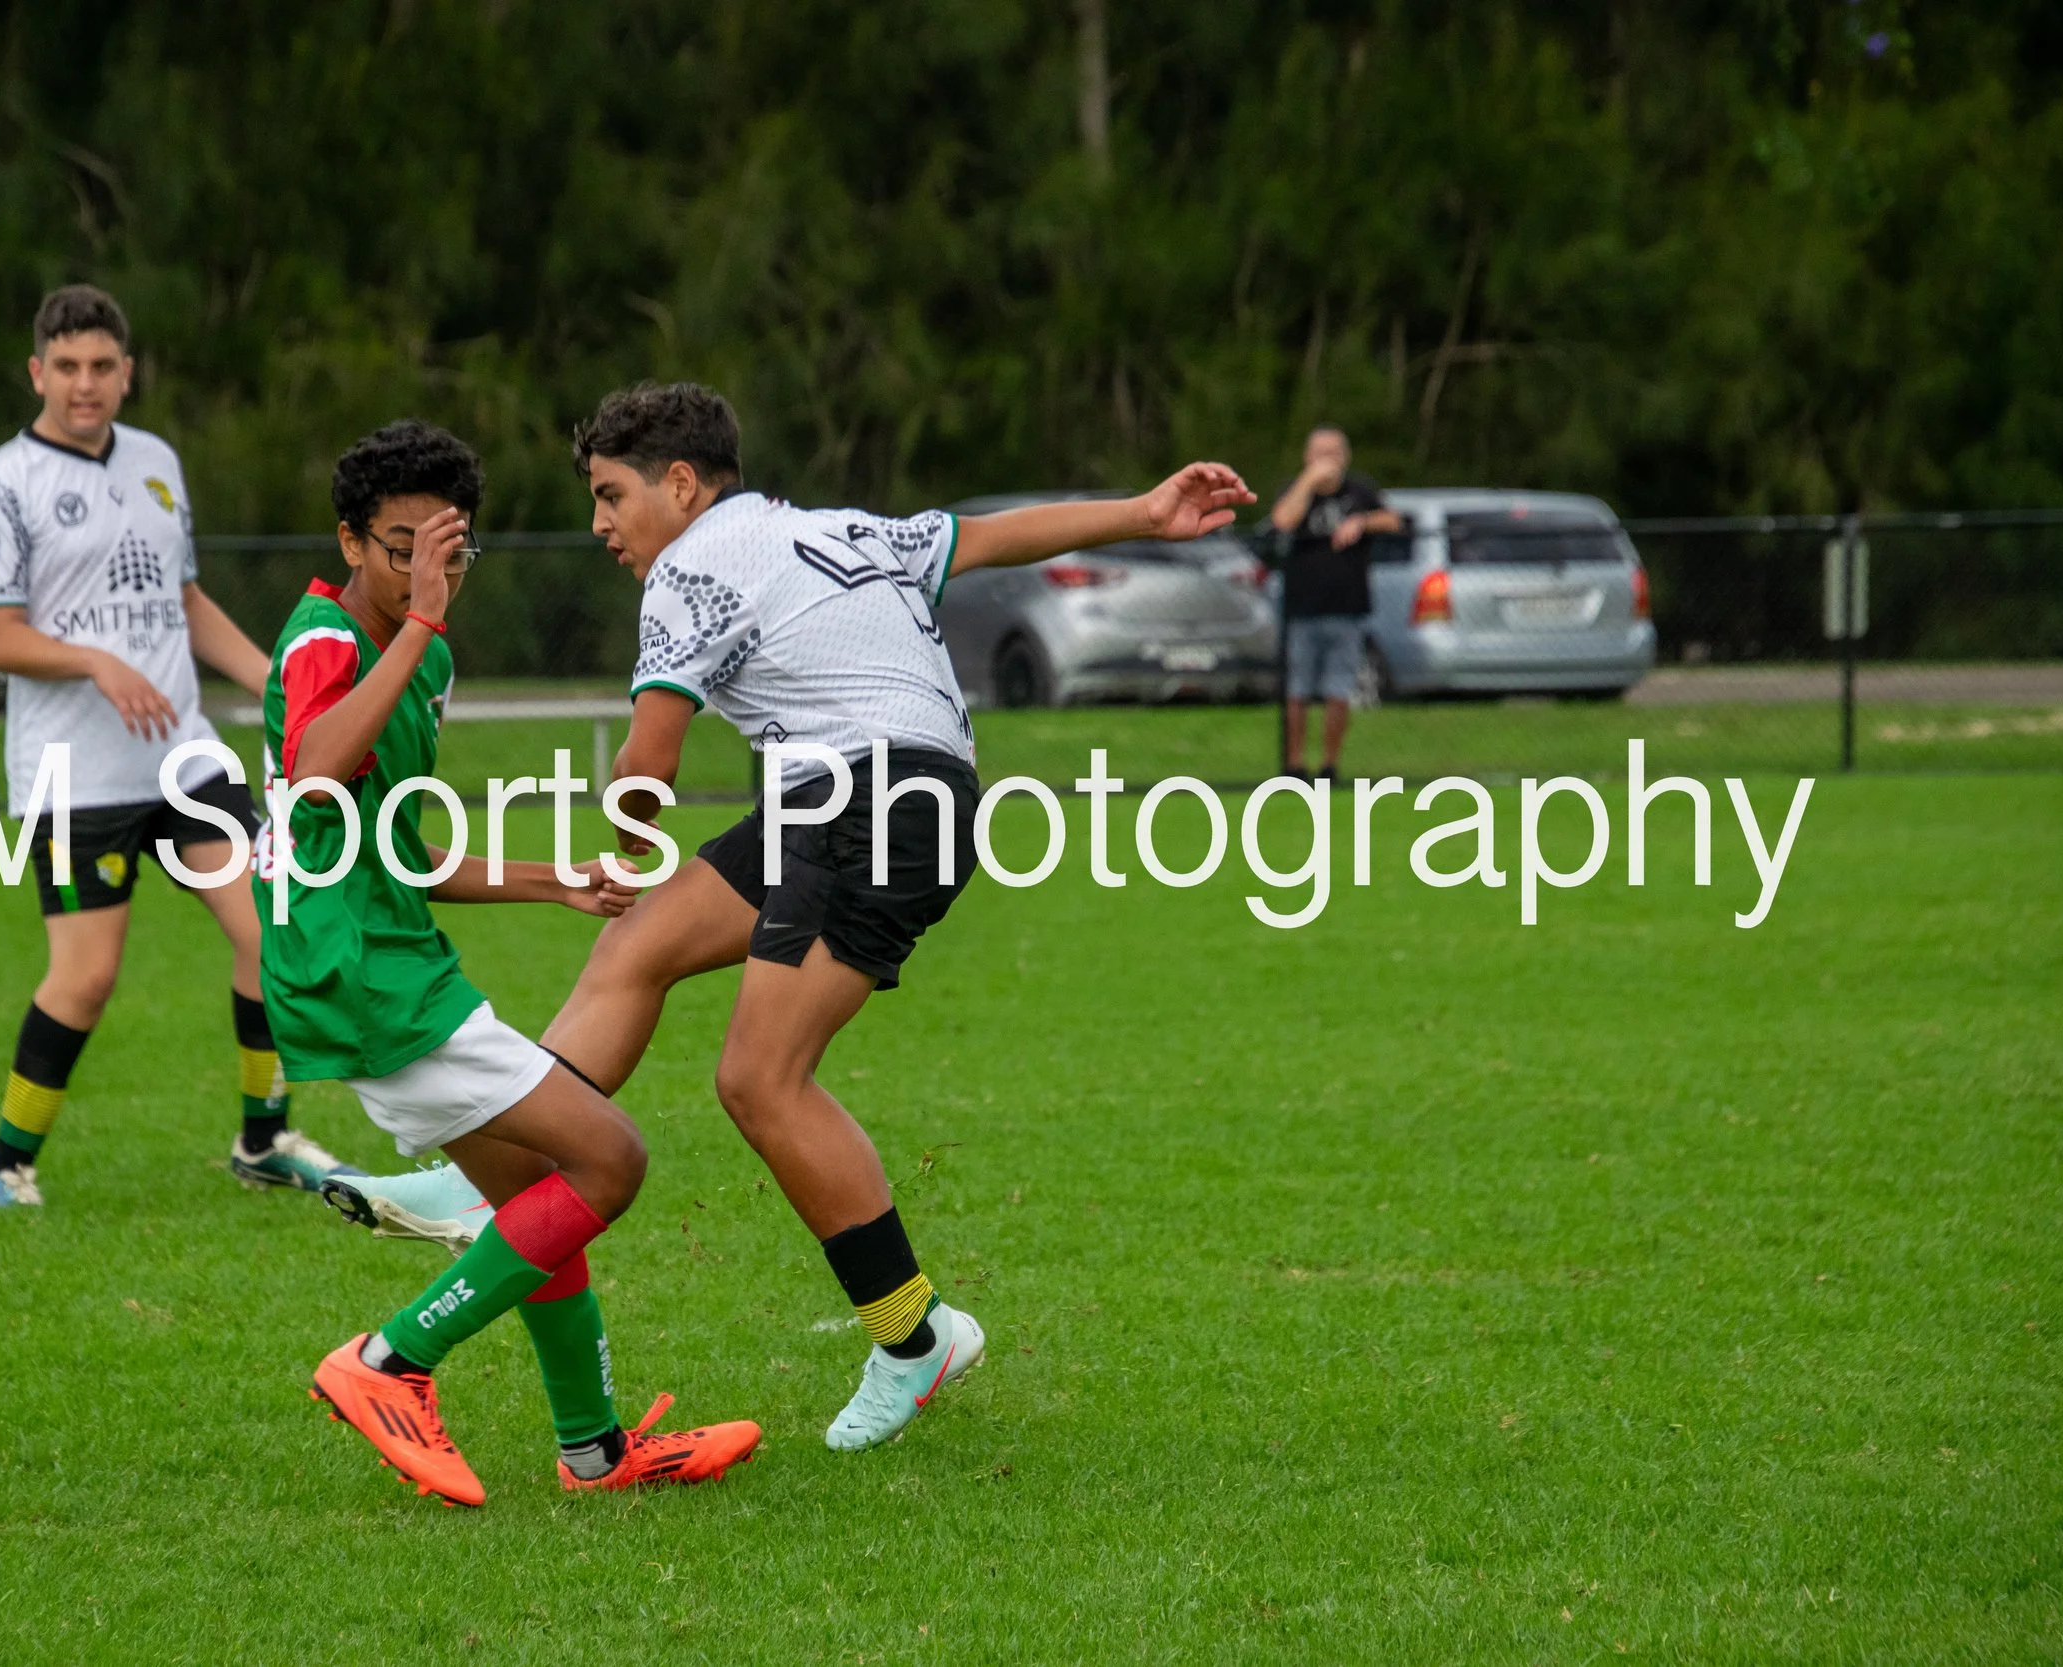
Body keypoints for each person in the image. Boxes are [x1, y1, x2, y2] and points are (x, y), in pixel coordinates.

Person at [539, 382, 1252, 1452]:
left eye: (610, 495)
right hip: (871, 793)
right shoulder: (837, 529)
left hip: (866, 803)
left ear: (679, 484)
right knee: (639, 943)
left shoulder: (692, 564)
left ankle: (913, 1337)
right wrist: (1144, 512)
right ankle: (508, 1157)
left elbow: (650, 760)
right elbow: (992, 535)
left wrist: (622, 838)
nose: (601, 523)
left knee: (760, 1079)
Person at [271, 419, 761, 1504]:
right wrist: (419, 624)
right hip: (361, 973)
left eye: (448, 555)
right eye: (403, 551)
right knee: (611, 1161)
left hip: (389, 956)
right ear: (350, 543)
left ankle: (594, 1452)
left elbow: (398, 849)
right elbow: (313, 770)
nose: (429, 577)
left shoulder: (425, 655)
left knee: (540, 1197)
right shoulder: (325, 641)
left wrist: (559, 881)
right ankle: (389, 1360)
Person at [0, 284, 377, 1212]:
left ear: (128, 372)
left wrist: (276, 683)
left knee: (271, 933)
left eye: (102, 366)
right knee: (87, 977)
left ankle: (264, 1141)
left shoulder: (155, 462)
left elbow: (184, 604)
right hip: (75, 773)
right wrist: (97, 662)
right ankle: (2, 1169)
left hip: (184, 754)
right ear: (37, 372)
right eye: (68, 367)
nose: (85, 383)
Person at [1266, 425, 1402, 781]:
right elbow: (1283, 520)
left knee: (1338, 689)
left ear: (1345, 456)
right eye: (1319, 453)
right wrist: (1308, 482)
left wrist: (1362, 522)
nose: (1327, 460)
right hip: (1302, 609)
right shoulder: (1296, 490)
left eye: (1333, 453)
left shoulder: (1359, 492)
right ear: (1307, 457)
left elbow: (1393, 520)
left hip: (1347, 608)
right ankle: (1294, 765)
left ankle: (1329, 765)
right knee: (1297, 689)